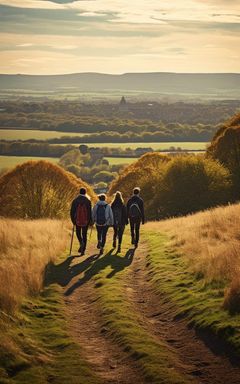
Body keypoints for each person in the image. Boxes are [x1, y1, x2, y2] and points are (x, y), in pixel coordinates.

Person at [70, 187, 92, 256]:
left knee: (78, 233)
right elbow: (89, 212)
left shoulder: (75, 200)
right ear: (85, 193)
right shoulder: (88, 200)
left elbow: (72, 211)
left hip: (77, 220)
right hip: (85, 220)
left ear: (79, 192)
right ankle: (83, 250)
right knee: (84, 234)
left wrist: (73, 221)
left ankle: (81, 242)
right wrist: (89, 221)